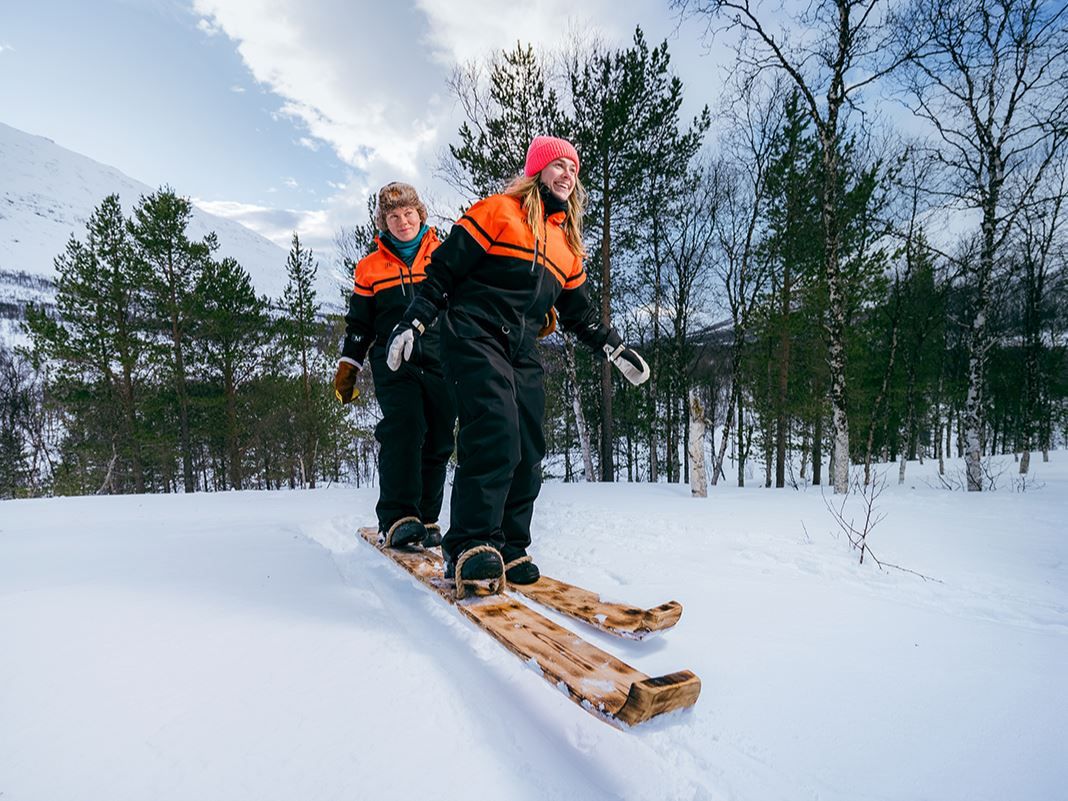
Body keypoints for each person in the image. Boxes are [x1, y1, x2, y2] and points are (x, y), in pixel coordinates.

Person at [385, 136, 649, 593]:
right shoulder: (497, 211)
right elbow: (444, 271)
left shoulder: (566, 243)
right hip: (473, 332)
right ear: (537, 171)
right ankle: (470, 545)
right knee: (495, 432)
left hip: (521, 345)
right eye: (558, 165)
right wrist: (414, 320)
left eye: (573, 168)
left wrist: (614, 347)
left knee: (528, 445)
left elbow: (578, 312)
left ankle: (508, 544)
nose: (567, 173)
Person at [334, 182, 456, 548]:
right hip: (393, 358)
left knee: (438, 436)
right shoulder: (370, 268)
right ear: (383, 222)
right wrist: (348, 367)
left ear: (421, 214)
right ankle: (398, 517)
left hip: (440, 356)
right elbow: (360, 323)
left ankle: (427, 516)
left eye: (408, 213)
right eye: (393, 216)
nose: (402, 222)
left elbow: (475, 295)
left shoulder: (445, 255)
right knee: (405, 427)